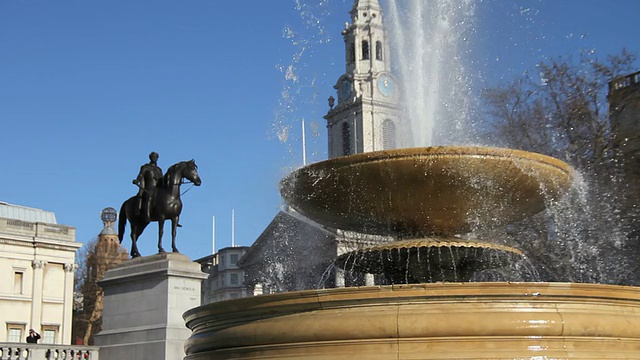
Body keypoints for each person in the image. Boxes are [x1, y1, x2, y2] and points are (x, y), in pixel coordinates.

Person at [133, 152, 163, 222]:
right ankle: (147, 215)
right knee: (149, 196)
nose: (154, 158)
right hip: (149, 187)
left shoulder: (159, 169)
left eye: (156, 157)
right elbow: (140, 175)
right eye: (153, 157)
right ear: (150, 158)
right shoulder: (145, 167)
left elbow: (162, 179)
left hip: (158, 188)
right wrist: (137, 180)